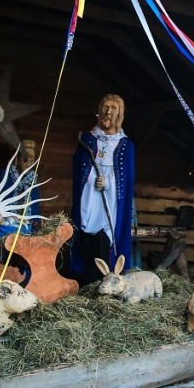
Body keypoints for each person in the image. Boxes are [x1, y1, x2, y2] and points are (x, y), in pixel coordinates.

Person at [71, 94, 135, 285]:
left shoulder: (125, 145)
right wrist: (93, 180)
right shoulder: (88, 140)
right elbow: (79, 167)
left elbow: (126, 179)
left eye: (113, 109)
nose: (108, 112)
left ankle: (105, 278)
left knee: (105, 234)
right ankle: (83, 277)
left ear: (120, 114)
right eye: (105, 107)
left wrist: (107, 183)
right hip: (89, 194)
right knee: (85, 226)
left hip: (110, 199)